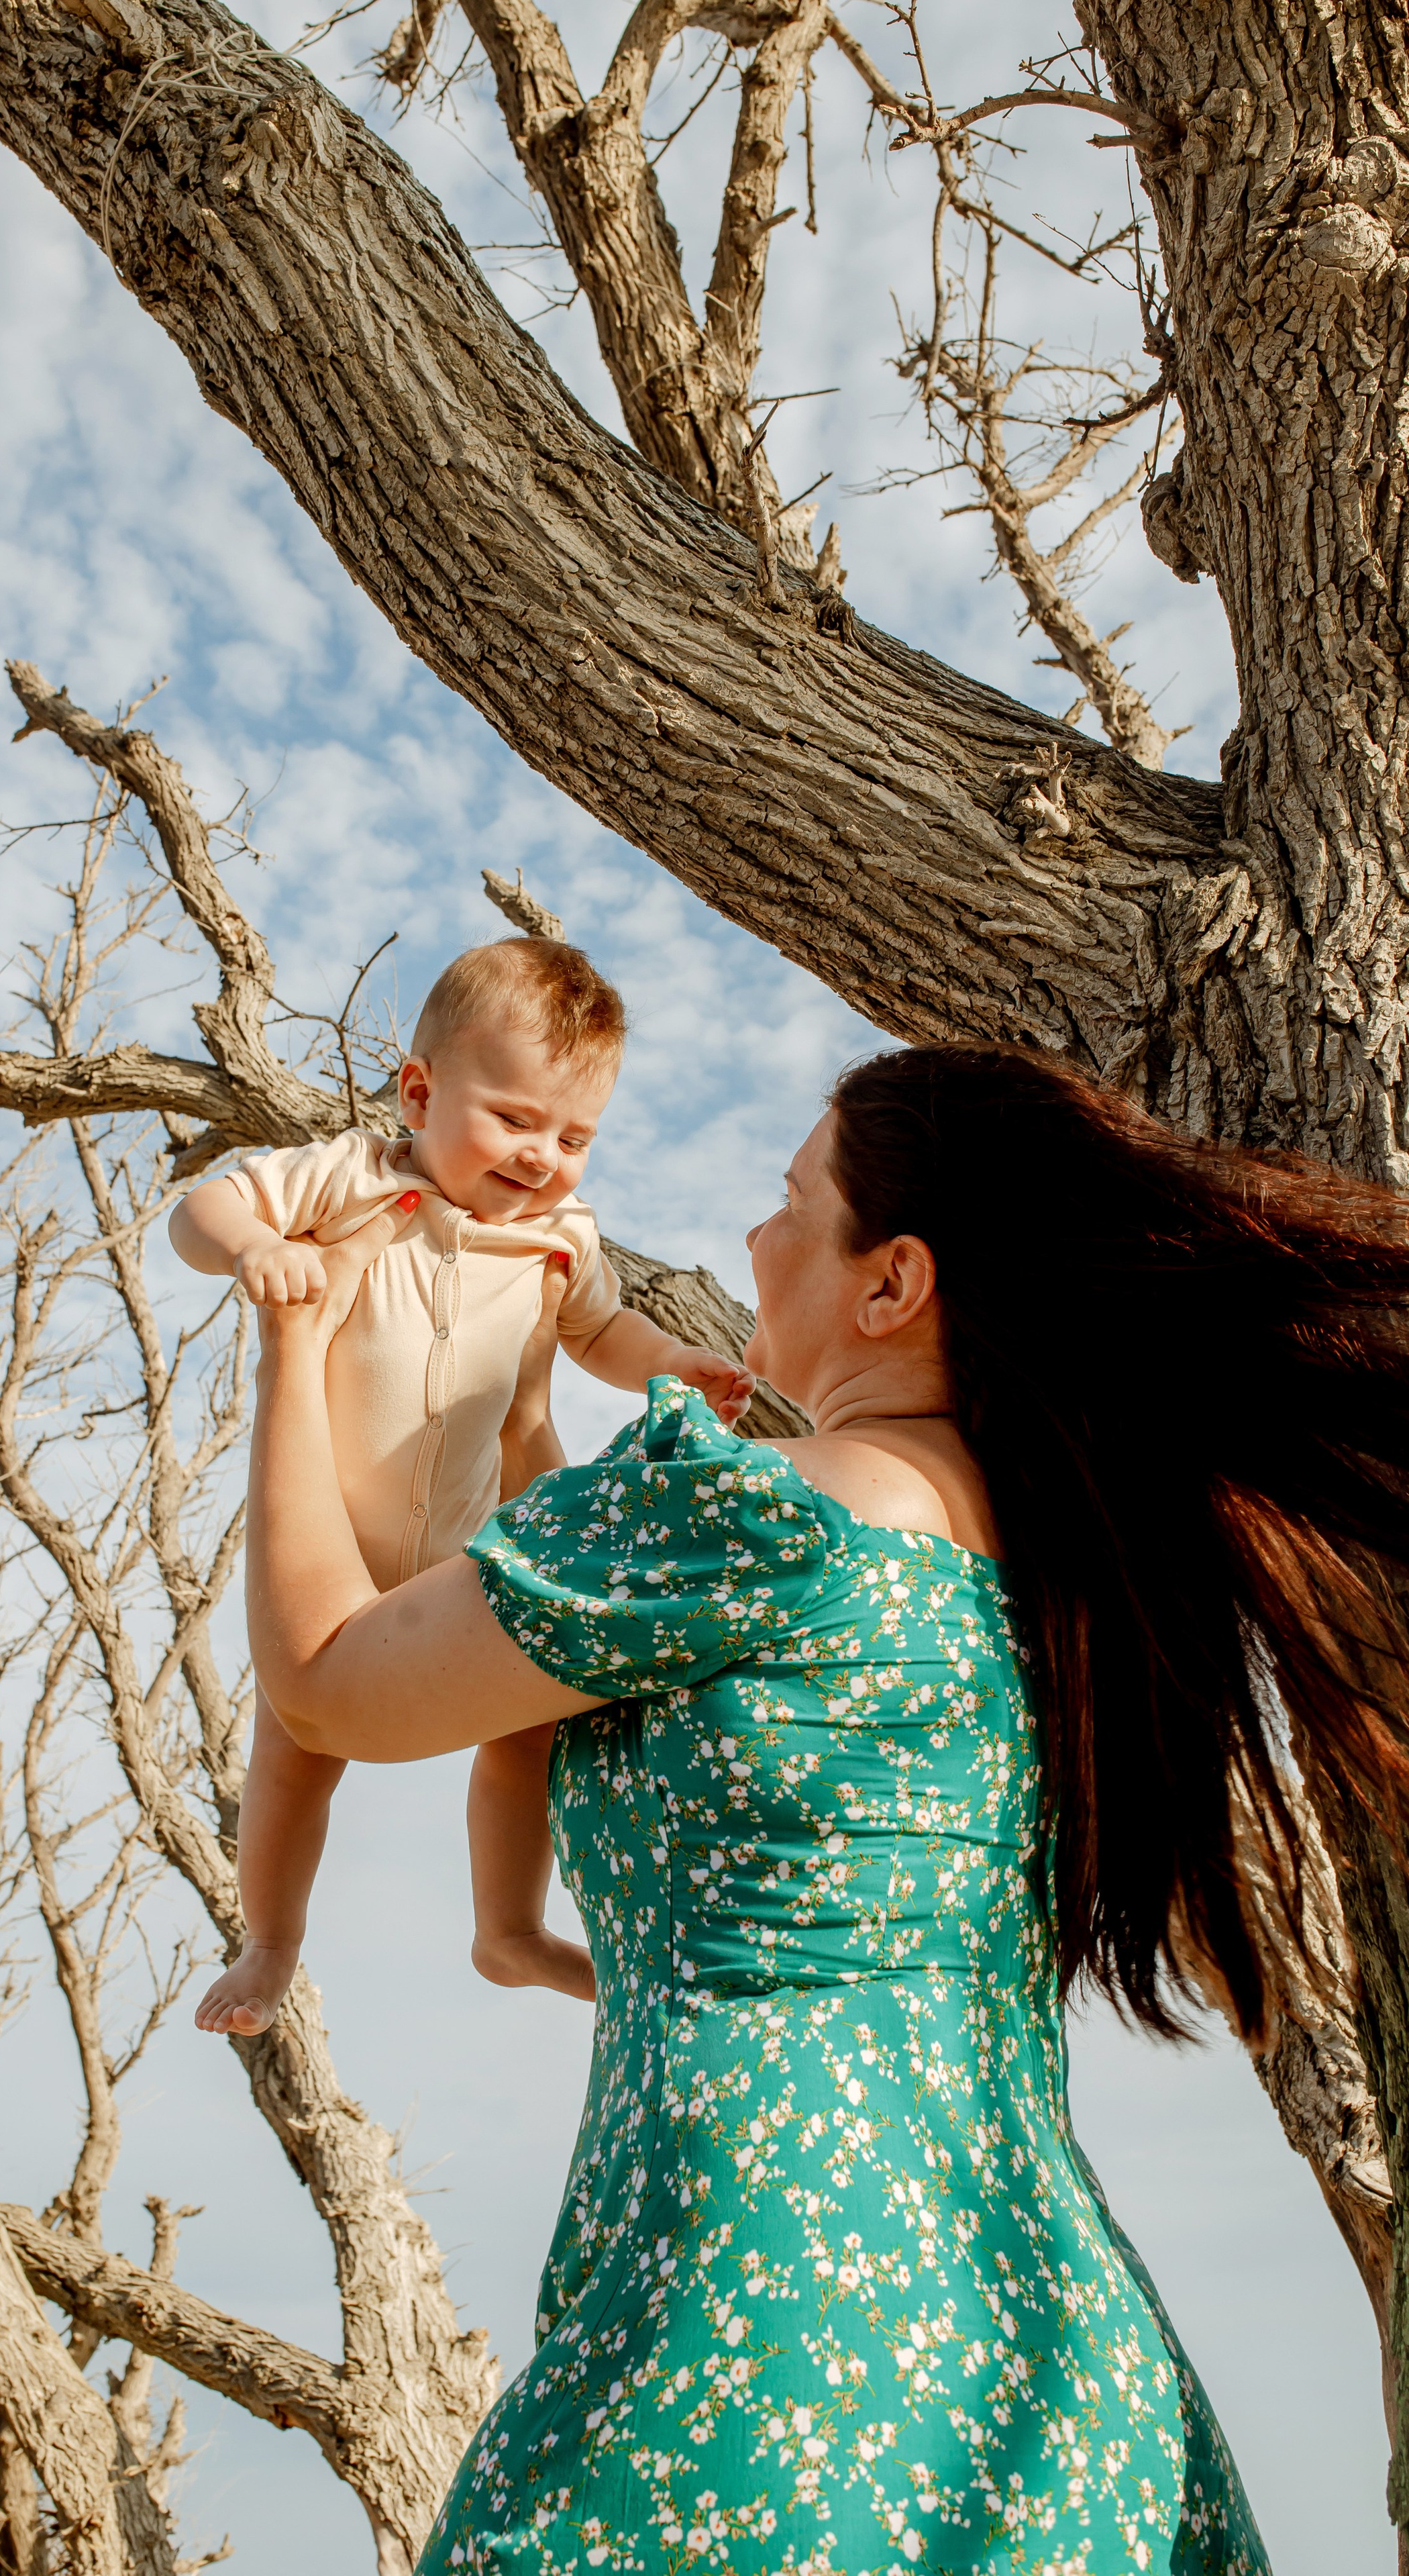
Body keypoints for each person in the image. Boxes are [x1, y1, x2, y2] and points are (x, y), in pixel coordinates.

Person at [242, 1039, 1409, 2574]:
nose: (751, 1239)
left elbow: (327, 1681)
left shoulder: (749, 1510)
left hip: (754, 2336)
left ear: (890, 1283)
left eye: (791, 1200)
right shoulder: (1061, 1587)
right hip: (1054, 2370)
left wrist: (294, 1344)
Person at [170, 936, 755, 2037]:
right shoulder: (347, 1179)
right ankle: (271, 1944)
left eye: (575, 1136)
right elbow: (200, 1212)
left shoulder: (559, 1237)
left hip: (460, 1552)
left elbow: (603, 1333)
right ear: (422, 1091)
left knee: (531, 1723)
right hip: (329, 1542)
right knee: (296, 1760)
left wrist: (671, 1365)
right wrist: (253, 1246)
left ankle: (508, 1930)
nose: (543, 1157)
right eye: (516, 1121)